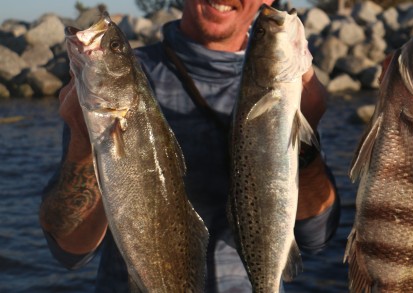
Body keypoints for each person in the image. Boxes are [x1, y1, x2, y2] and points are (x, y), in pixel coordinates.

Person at [38, 0, 339, 292]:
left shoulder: (294, 87)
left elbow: (315, 238)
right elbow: (70, 250)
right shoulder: (127, 77)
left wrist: (303, 146)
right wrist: (82, 142)